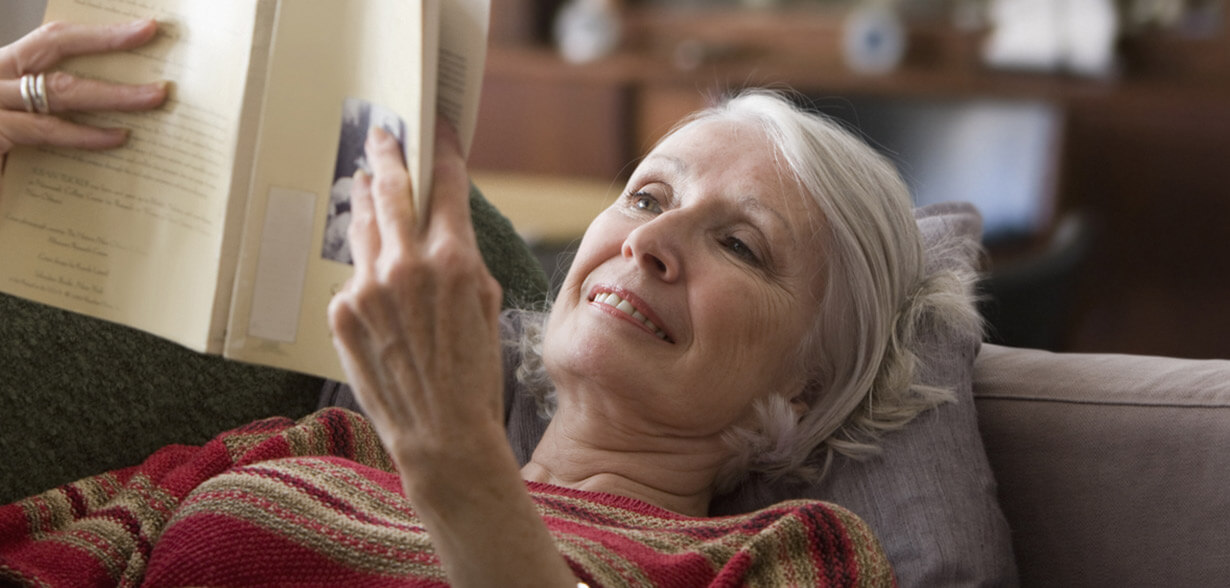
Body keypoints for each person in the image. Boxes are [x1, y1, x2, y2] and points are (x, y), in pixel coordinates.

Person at [1, 19, 980, 588]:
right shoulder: (331, 446)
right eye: (647, 197)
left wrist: (458, 466)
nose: (647, 243)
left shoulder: (785, 556)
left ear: (807, 388)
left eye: (738, 243)